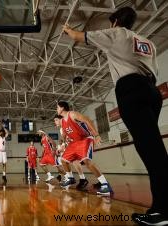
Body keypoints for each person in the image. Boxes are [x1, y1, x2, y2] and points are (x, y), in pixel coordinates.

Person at [63, 6, 168, 224]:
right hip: (152, 91)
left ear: (115, 22)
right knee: (150, 146)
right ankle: (161, 207)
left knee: (152, 151)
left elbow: (77, 35)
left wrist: (66, 28)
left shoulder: (115, 33)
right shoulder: (147, 43)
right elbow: (154, 72)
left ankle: (163, 211)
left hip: (131, 89)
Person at [56, 101, 112, 196]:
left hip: (84, 139)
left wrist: (96, 135)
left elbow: (87, 120)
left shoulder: (72, 114)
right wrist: (62, 143)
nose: (56, 109)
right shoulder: (62, 122)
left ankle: (105, 184)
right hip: (74, 143)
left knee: (86, 161)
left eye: (57, 107)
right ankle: (70, 178)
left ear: (62, 108)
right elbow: (65, 134)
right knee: (63, 160)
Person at [54, 115, 89, 191]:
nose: (55, 122)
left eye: (56, 120)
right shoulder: (62, 128)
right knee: (75, 161)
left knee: (86, 162)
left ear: (61, 119)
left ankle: (71, 178)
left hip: (80, 142)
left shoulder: (66, 124)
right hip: (74, 144)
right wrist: (63, 145)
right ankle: (82, 179)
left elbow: (68, 137)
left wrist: (62, 147)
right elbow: (66, 138)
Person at [0, 120, 9, 185]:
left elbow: (7, 133)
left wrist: (3, 128)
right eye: (0, 132)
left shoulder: (4, 138)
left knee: (4, 164)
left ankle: (4, 176)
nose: (1, 133)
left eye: (2, 132)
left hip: (4, 152)